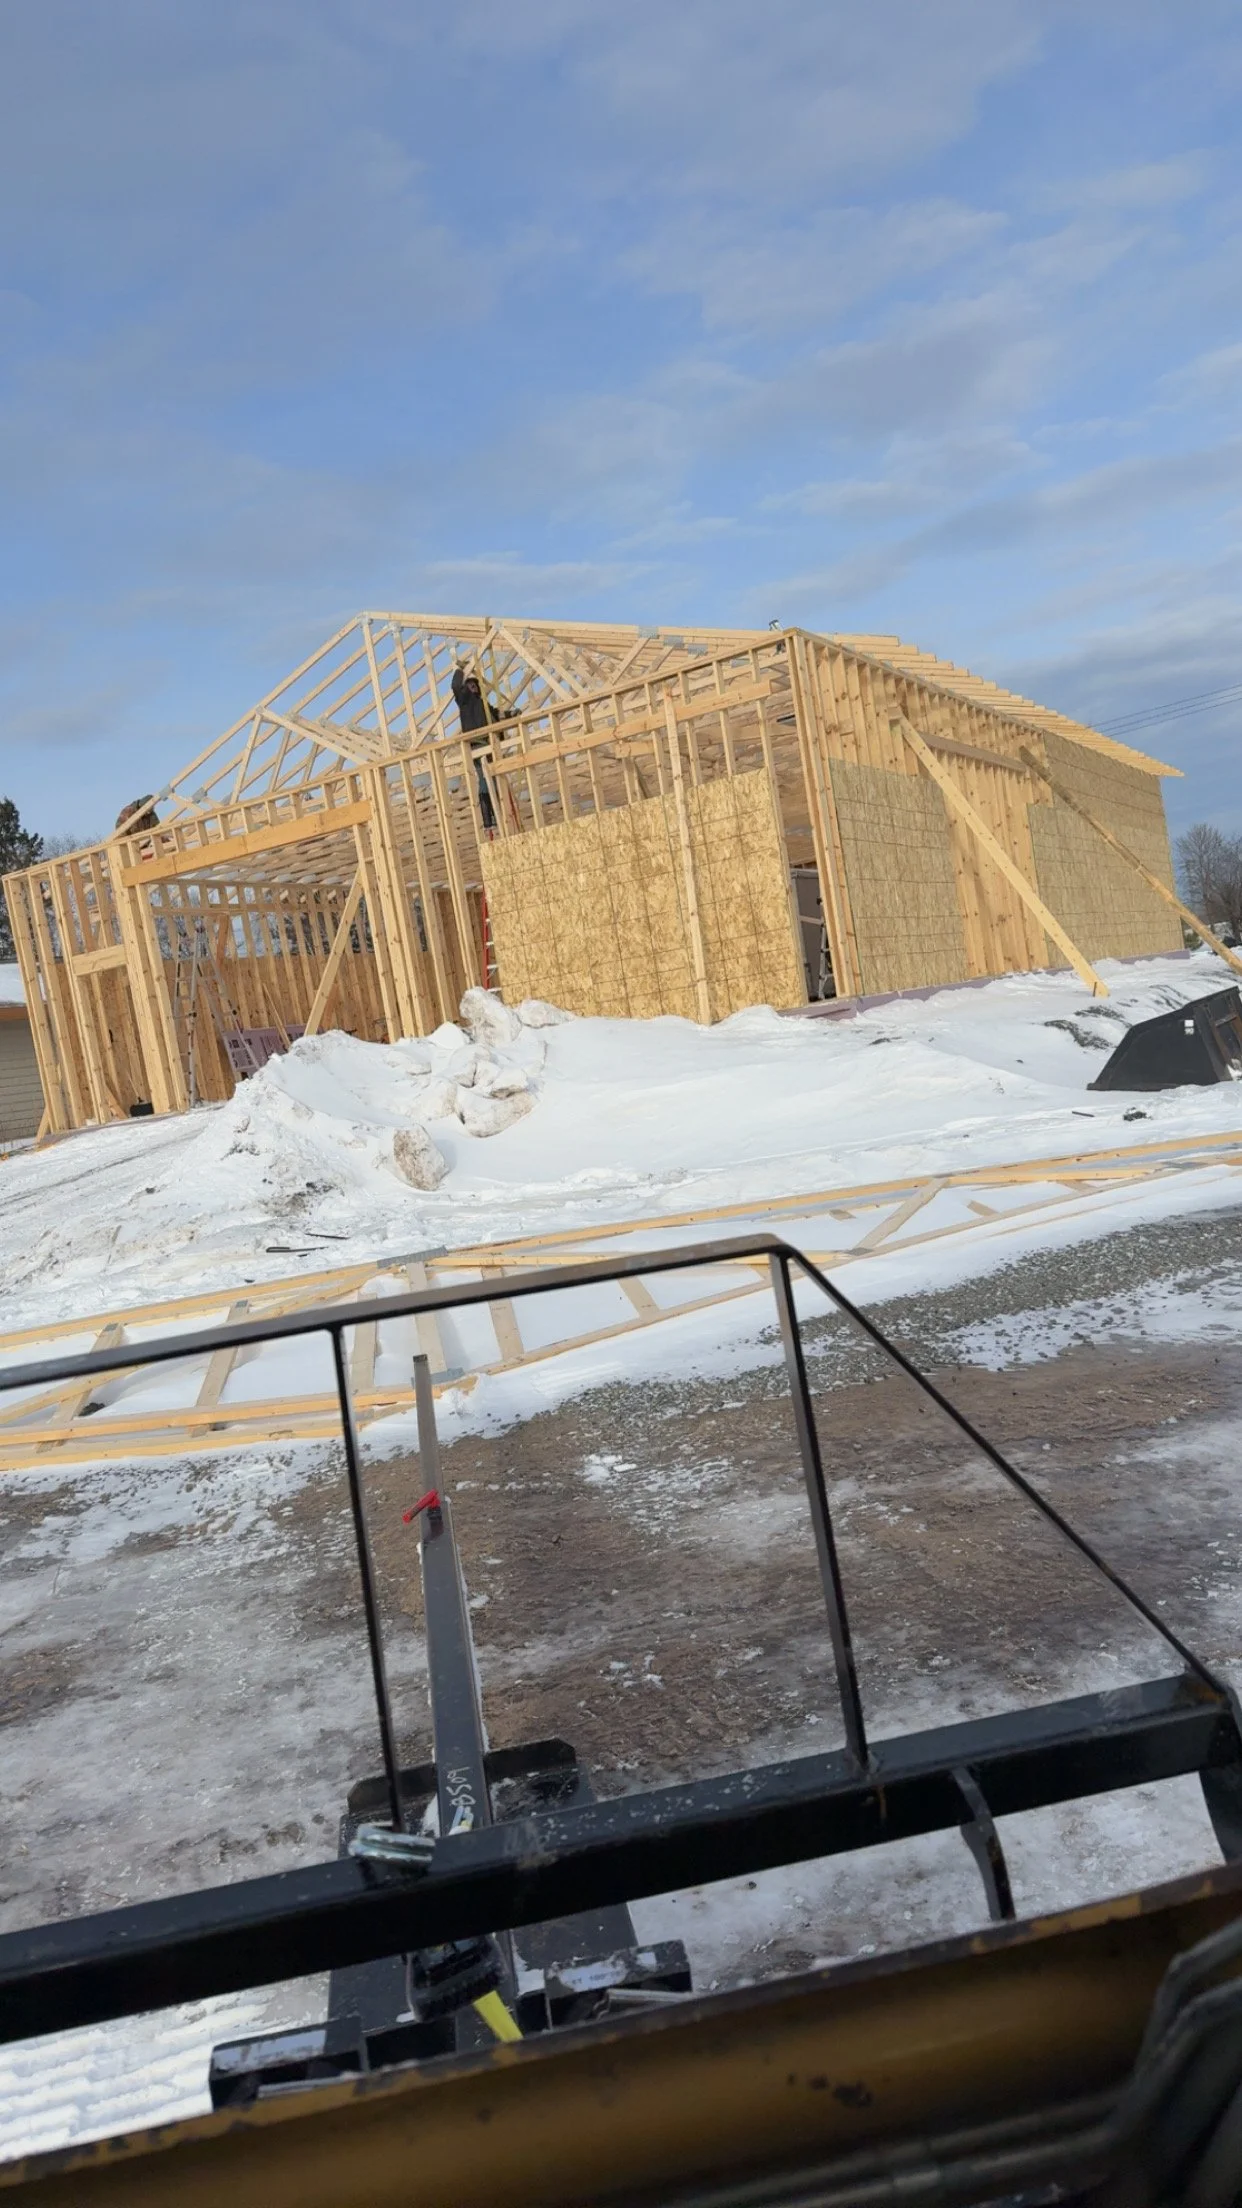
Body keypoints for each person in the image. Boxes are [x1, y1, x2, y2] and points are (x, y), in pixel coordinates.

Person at [451, 665, 498, 832]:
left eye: (474, 684)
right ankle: (488, 821)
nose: (473, 687)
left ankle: (496, 816)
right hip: (477, 745)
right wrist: (460, 670)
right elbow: (455, 686)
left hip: (489, 745)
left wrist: (512, 714)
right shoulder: (464, 700)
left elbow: (496, 715)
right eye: (470, 685)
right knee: (485, 781)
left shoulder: (482, 703)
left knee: (493, 780)